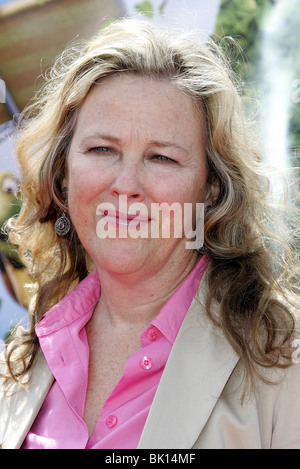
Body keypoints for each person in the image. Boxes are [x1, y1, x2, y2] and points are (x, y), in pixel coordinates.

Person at [0, 18, 299, 449]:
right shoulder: (20, 362)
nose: (126, 184)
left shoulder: (285, 358)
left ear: (211, 189)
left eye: (161, 158)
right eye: (102, 149)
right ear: (62, 174)